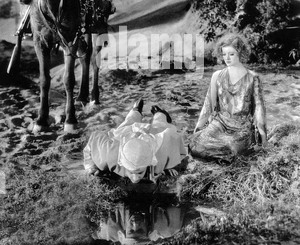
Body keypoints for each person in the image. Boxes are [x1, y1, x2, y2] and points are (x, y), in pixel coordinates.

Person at [189, 34, 267, 162]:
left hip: (241, 127)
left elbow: (259, 110)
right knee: (196, 146)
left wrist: (263, 137)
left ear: (240, 53)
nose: (227, 58)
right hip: (220, 123)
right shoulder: (217, 75)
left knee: (231, 150)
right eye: (224, 54)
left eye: (231, 54)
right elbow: (208, 104)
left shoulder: (253, 77)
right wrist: (198, 128)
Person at [83, 99, 187, 183]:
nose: (135, 178)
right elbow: (94, 139)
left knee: (160, 124)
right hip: (126, 135)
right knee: (128, 122)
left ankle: (159, 112)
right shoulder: (110, 154)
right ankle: (136, 110)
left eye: (139, 173)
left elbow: (175, 139)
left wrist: (169, 165)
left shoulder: (161, 153)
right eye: (132, 172)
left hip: (152, 136)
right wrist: (90, 167)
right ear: (122, 163)